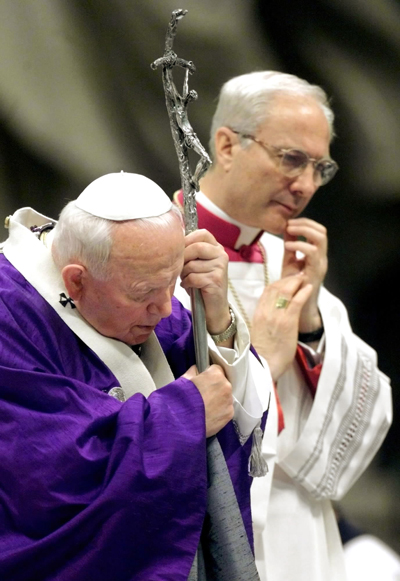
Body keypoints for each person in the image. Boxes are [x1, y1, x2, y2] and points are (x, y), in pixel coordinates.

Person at [173, 71, 392, 581]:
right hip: (207, 521)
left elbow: (368, 416)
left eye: (320, 167)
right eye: (292, 159)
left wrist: (312, 324)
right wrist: (259, 364)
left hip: (299, 529)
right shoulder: (156, 249)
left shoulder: (287, 260)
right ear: (226, 145)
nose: (306, 185)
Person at [0, 172, 272, 580]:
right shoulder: (10, 313)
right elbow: (45, 476)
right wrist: (184, 414)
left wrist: (217, 320)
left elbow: (225, 398)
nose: (165, 310)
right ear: (76, 280)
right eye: (145, 294)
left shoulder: (131, 275)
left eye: (171, 286)